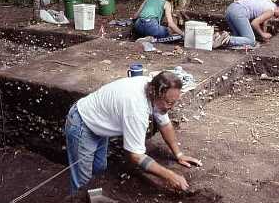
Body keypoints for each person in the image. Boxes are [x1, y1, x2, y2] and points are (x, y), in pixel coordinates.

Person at [65, 71, 201, 193]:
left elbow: (164, 124)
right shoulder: (136, 108)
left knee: (99, 168)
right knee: (83, 180)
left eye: (174, 102)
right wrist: (170, 175)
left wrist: (179, 154)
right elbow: (135, 156)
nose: (171, 107)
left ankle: (92, 200)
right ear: (155, 93)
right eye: (169, 103)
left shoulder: (156, 92)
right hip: (83, 123)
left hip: (99, 122)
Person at [213, 0, 279, 49]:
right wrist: (263, 34)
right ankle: (226, 39)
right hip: (239, 12)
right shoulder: (271, 11)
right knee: (251, 40)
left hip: (231, 9)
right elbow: (254, 23)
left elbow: (264, 21)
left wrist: (264, 34)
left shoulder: (269, 3)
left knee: (240, 38)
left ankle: (218, 37)